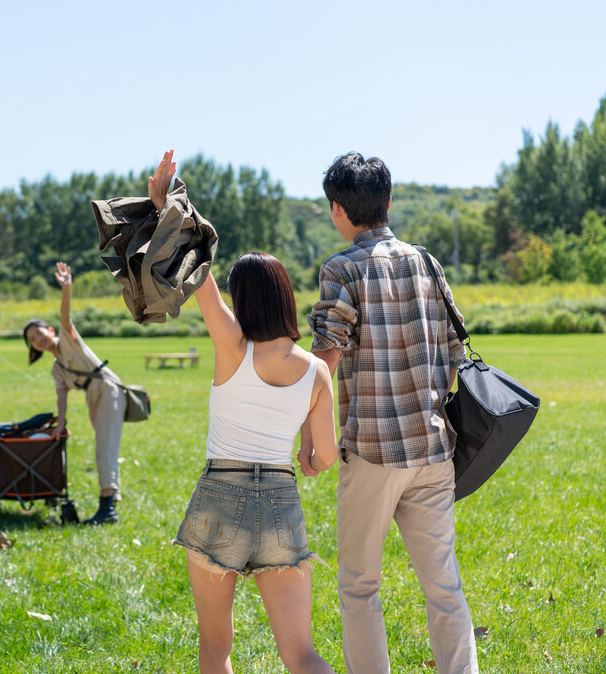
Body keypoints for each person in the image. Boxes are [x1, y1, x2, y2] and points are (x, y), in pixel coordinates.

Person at [149, 151, 337, 674]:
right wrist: (306, 452)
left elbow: (197, 271)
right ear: (285, 298)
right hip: (280, 500)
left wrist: (167, 203)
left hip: (219, 498)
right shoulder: (317, 371)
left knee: (216, 650)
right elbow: (324, 458)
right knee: (300, 653)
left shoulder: (233, 346)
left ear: (242, 299)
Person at [308, 153, 478, 673]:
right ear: (389, 202)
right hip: (432, 448)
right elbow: (453, 355)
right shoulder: (427, 262)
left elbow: (324, 363)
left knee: (359, 586)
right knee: (443, 584)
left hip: (373, 453)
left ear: (338, 210)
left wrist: (311, 440)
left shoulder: (342, 269)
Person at [22, 261, 127, 525]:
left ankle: (107, 509)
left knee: (104, 448)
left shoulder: (68, 338)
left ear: (50, 330)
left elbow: (66, 316)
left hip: (107, 388)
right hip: (94, 396)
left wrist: (66, 289)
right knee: (107, 446)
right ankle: (111, 500)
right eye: (32, 340)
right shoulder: (57, 369)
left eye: (40, 333)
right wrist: (60, 424)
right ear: (33, 347)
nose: (38, 339)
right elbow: (62, 397)